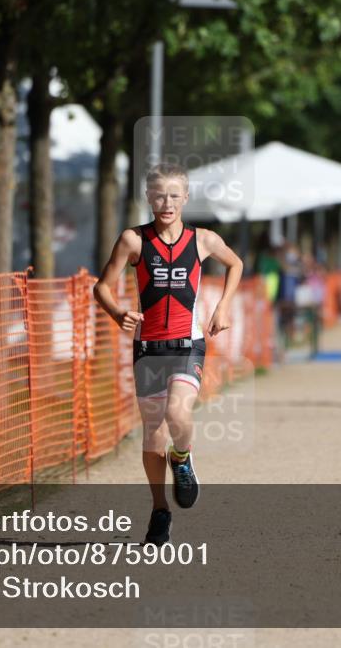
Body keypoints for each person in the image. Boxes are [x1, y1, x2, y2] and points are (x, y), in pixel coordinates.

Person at [93, 163, 243, 545]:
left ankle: (183, 458)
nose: (167, 202)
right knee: (152, 435)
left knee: (178, 413)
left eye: (174, 195)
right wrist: (117, 313)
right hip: (148, 346)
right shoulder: (133, 240)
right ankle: (160, 510)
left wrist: (222, 306)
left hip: (187, 342)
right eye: (159, 195)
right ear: (148, 198)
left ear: (186, 198)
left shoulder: (204, 239)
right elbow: (102, 288)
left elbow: (235, 263)